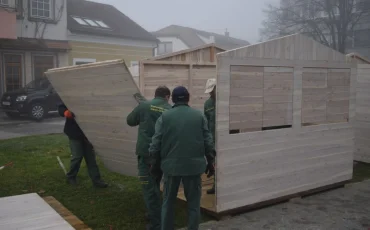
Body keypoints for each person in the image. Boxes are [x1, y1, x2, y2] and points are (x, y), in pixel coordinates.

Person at [149, 86, 215, 230]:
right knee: (193, 205)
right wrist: (211, 162)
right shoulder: (199, 116)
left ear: (172, 99)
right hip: (193, 167)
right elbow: (208, 142)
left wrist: (154, 166)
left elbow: (155, 144)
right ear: (188, 98)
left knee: (168, 203)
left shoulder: (164, 117)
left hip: (171, 168)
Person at [126, 86, 172, 230]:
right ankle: (155, 213)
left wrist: (141, 111)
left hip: (146, 155)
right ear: (167, 97)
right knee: (156, 183)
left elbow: (130, 121)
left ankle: (156, 224)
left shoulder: (144, 106)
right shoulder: (171, 110)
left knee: (148, 188)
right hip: (162, 155)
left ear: (155, 95)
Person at [58, 103, 108, 188]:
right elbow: (61, 107)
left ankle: (96, 180)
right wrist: (65, 112)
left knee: (91, 158)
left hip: (88, 133)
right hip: (75, 133)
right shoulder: (72, 95)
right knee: (77, 156)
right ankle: (71, 177)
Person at [204, 78, 216, 194]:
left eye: (213, 91)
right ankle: (215, 186)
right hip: (212, 138)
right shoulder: (208, 104)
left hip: (225, 138)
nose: (211, 93)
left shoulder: (226, 102)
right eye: (210, 92)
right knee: (214, 162)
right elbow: (206, 122)